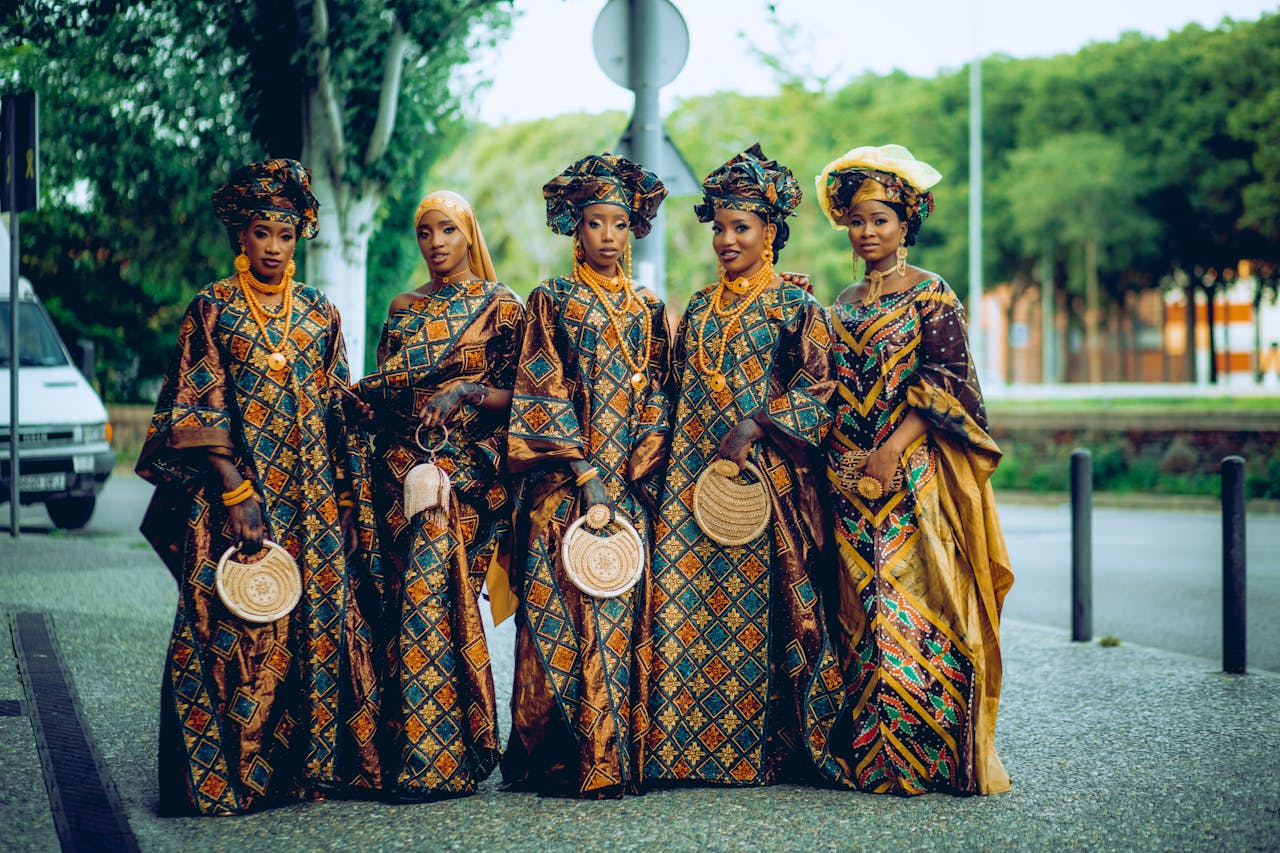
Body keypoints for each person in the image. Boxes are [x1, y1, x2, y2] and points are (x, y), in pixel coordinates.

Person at [136, 159, 384, 815]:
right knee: (236, 626)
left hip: (315, 502)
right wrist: (232, 489)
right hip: (237, 502)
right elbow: (193, 406)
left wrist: (368, 411)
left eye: (285, 233)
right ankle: (227, 776)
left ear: (299, 236)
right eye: (260, 233)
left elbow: (331, 395)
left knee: (310, 625)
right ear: (239, 236)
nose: (273, 246)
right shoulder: (212, 308)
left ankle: (299, 772)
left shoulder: (320, 313)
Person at [645, 144, 851, 788]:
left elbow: (822, 391)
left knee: (767, 610)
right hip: (689, 482)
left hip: (766, 484)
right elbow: (674, 391)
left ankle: (764, 752)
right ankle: (684, 751)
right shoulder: (700, 307)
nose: (727, 240)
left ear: (772, 234)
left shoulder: (798, 308)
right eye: (720, 228)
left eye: (742, 228)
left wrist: (759, 422)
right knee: (683, 604)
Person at [815, 143, 1014, 794]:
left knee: (918, 609)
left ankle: (928, 757)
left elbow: (947, 383)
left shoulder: (932, 293)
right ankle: (872, 758)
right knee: (859, 613)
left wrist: (894, 448)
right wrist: (845, 459)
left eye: (881, 219)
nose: (867, 231)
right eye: (858, 220)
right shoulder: (842, 301)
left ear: (906, 223)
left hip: (913, 481)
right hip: (851, 483)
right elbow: (829, 385)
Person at [502, 153, 670, 798]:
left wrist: (637, 465)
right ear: (576, 228)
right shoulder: (552, 299)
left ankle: (611, 756)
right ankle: (554, 758)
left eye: (619, 224)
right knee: (558, 612)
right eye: (595, 222)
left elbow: (658, 392)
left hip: (626, 489)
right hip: (561, 487)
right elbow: (539, 390)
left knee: (617, 616)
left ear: (632, 231)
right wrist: (584, 472)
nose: (608, 235)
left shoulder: (651, 309)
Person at [351, 190, 523, 800]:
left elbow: (521, 396)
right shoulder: (403, 308)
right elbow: (383, 392)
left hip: (468, 473)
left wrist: (466, 394)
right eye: (425, 233)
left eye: (447, 230)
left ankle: (444, 757)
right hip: (399, 466)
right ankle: (402, 750)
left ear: (468, 233)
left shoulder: (502, 306)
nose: (436, 244)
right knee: (401, 602)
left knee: (435, 588)